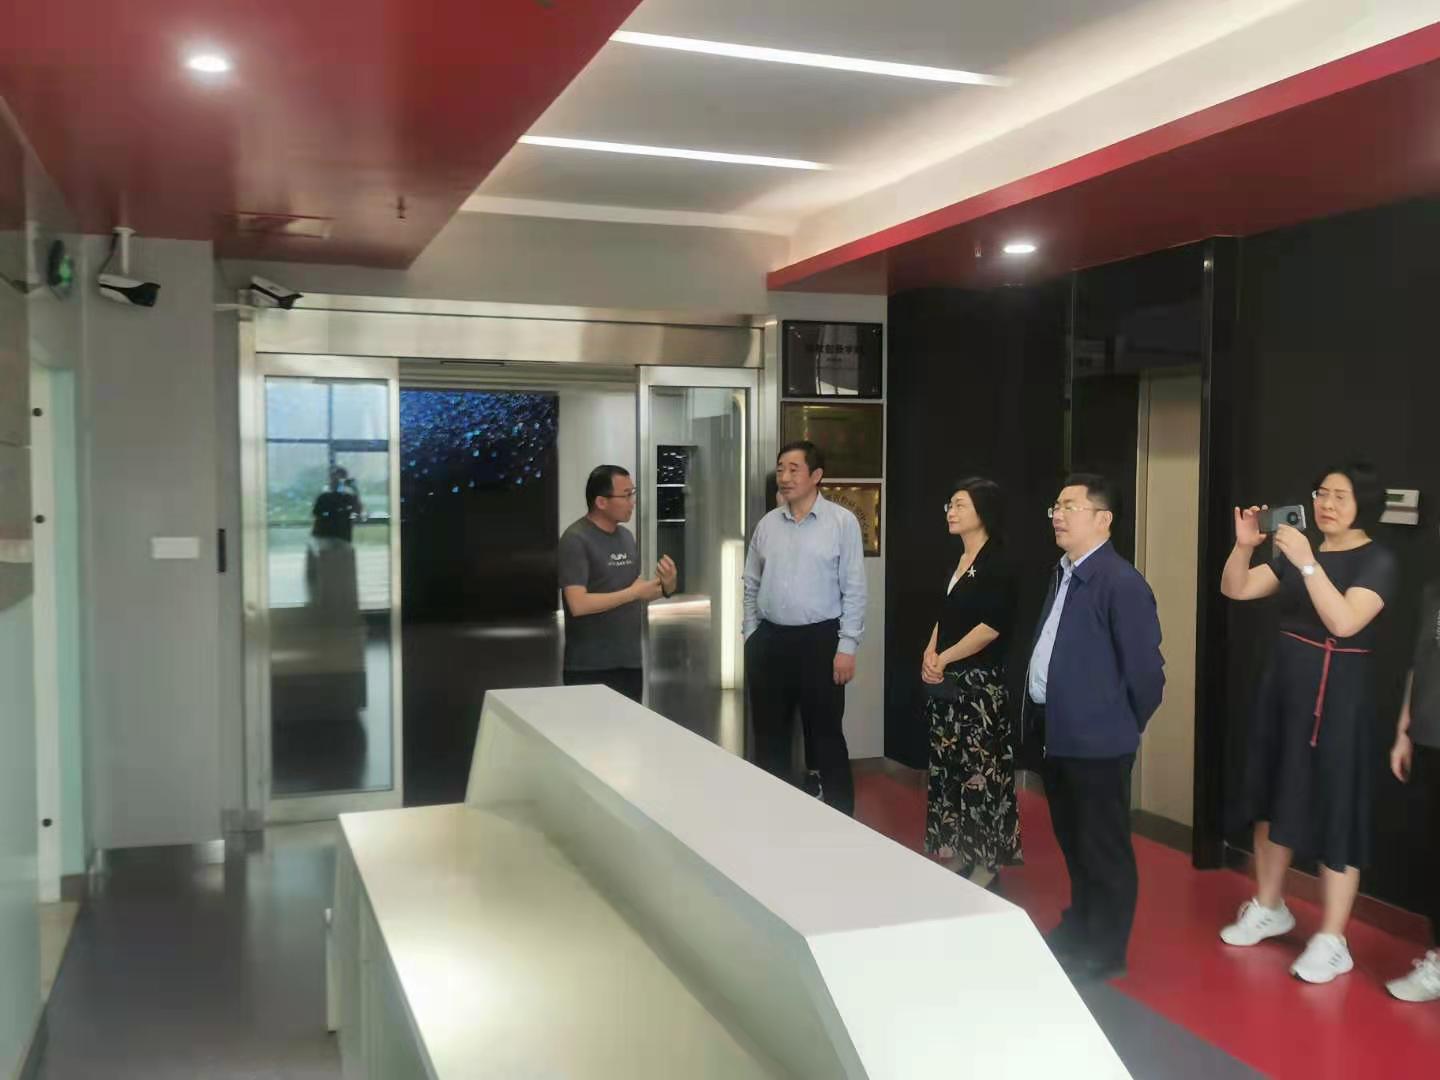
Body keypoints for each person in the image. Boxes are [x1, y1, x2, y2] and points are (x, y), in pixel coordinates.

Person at [1219, 463, 1396, 984]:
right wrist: (1245, 547)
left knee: (1337, 808)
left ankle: (1332, 939)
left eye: (1341, 496)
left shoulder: (1378, 561)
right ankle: (1269, 904)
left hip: (1340, 700)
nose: (1327, 504)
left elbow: (1344, 621)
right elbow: (1236, 588)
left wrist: (1308, 564)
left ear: (1364, 504)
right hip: (1285, 692)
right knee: (1273, 795)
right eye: (1322, 493)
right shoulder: (1299, 552)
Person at [1025, 473, 1165, 982]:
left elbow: (1146, 674)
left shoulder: (1121, 582)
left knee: (1104, 846)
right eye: (1056, 506)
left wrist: (1120, 723)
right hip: (1057, 732)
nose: (1058, 515)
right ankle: (1081, 923)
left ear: (1103, 519)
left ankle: (1106, 947)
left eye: (1070, 507)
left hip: (1098, 740)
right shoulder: (1063, 572)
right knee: (1074, 840)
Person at [744, 441, 866, 815]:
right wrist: (751, 635)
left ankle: (841, 818)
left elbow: (855, 588)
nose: (784, 476)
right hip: (770, 640)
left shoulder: (842, 523)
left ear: (816, 476)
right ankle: (775, 815)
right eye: (781, 468)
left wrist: (847, 646)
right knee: (769, 737)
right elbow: (750, 583)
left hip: (820, 641)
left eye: (794, 469)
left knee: (826, 735)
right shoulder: (768, 524)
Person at [921, 478, 1021, 889]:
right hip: (948, 682)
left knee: (981, 773)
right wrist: (930, 653)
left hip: (980, 688)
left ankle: (987, 861)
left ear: (984, 511)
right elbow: (945, 616)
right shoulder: (959, 560)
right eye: (950, 504)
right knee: (949, 769)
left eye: (960, 504)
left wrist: (944, 658)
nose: (951, 511)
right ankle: (959, 848)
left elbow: (990, 628)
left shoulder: (998, 562)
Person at [558, 465, 677, 704]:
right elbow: (578, 604)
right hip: (589, 666)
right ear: (601, 502)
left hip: (630, 663)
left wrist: (667, 585)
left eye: (633, 493)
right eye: (626, 495)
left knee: (629, 727)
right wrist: (633, 593)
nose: (633, 502)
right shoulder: (575, 539)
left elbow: (634, 588)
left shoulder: (626, 537)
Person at [1387, 564, 1440, 1003]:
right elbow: (1419, 662)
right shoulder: (1433, 588)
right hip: (1430, 736)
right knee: (1434, 856)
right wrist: (1404, 728)